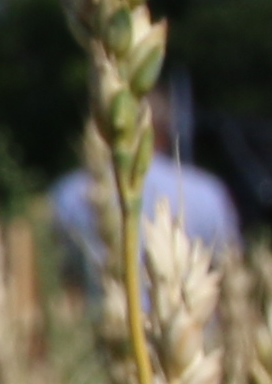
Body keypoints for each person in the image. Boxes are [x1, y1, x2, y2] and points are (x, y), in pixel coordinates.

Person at [44, 78, 240, 286]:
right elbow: (229, 270)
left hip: (105, 315)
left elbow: (61, 276)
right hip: (189, 316)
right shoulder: (207, 191)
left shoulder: (68, 192)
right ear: (165, 130)